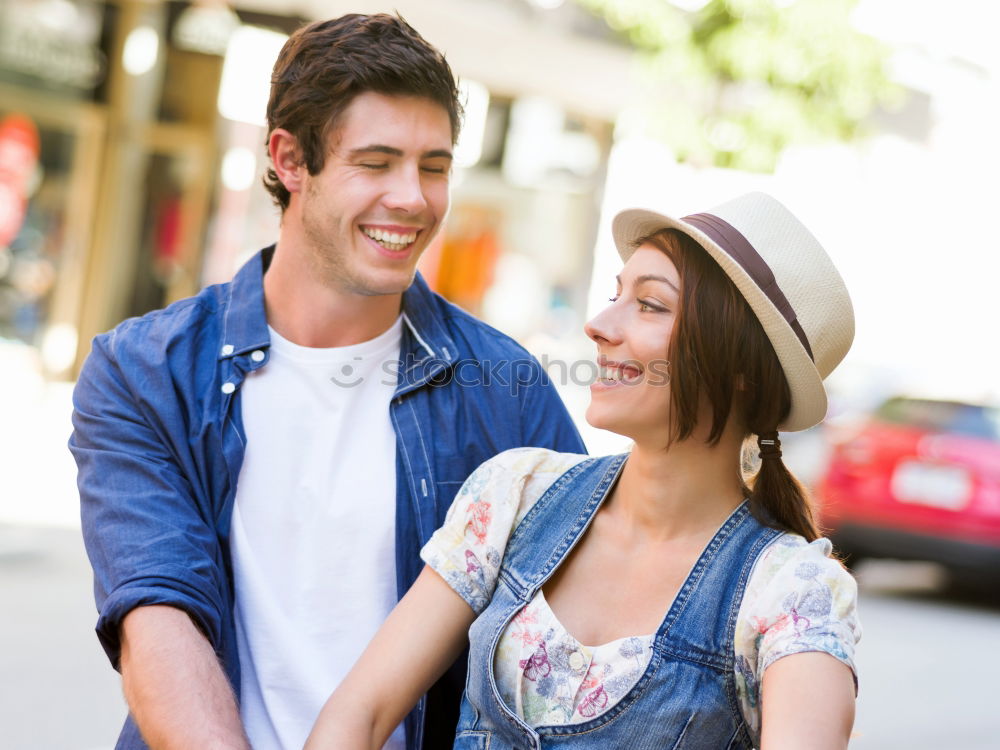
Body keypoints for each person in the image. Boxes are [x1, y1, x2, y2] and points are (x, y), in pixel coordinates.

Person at [69, 13, 584, 750]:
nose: (413, 197)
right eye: (376, 163)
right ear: (287, 159)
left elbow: (575, 631)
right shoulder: (144, 372)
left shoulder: (505, 389)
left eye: (433, 166)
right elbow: (158, 618)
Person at [305, 192, 861, 750]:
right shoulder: (515, 494)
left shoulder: (790, 593)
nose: (597, 325)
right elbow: (363, 712)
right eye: (615, 294)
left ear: (741, 366)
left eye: (650, 304)